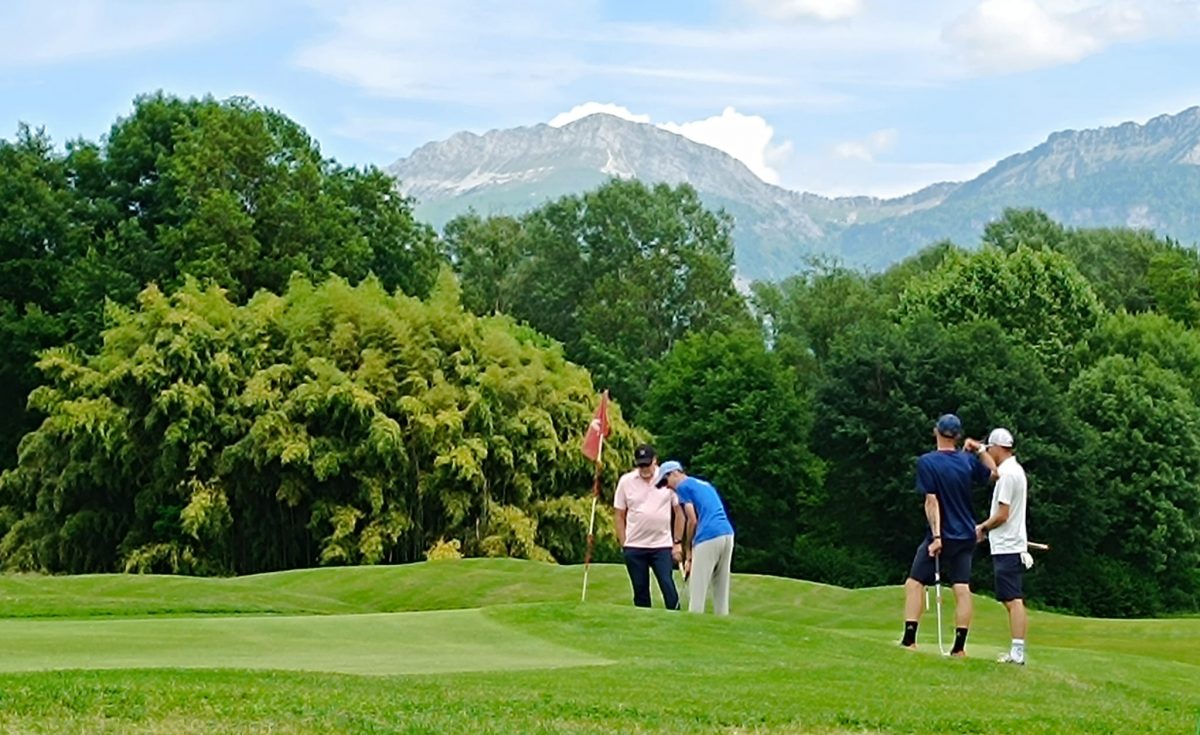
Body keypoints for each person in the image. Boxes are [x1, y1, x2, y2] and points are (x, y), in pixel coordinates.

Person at [900, 413, 996, 655]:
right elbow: (994, 474)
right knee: (961, 587)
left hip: (942, 535)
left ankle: (909, 640)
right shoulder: (967, 461)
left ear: (936, 431)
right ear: (958, 436)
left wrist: (936, 538)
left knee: (914, 583)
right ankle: (959, 648)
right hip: (966, 535)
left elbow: (931, 501)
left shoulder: (927, 462)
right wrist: (980, 449)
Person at [969, 427, 1031, 666]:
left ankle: (1017, 652)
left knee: (1012, 599)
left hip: (1008, 545)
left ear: (997, 448)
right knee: (1010, 598)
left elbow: (1003, 515)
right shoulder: (1015, 470)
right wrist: (979, 449)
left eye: (990, 448)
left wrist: (982, 528)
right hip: (1009, 543)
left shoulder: (1007, 475)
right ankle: (1017, 650)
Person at [655, 460, 735, 615]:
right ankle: (722, 620)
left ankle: (694, 618)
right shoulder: (704, 484)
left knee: (698, 586)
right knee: (721, 584)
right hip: (727, 533)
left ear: (675, 473)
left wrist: (689, 552)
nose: (667, 486)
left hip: (708, 535)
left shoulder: (683, 486)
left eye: (665, 481)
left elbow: (692, 519)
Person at [613, 444, 684, 610]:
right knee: (640, 589)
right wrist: (624, 543)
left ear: (655, 460)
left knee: (667, 584)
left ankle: (676, 616)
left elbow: (679, 512)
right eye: (641, 465)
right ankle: (643, 620)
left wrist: (677, 542)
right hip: (635, 545)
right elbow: (619, 514)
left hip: (661, 544)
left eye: (647, 464)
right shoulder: (626, 481)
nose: (644, 469)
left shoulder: (666, 479)